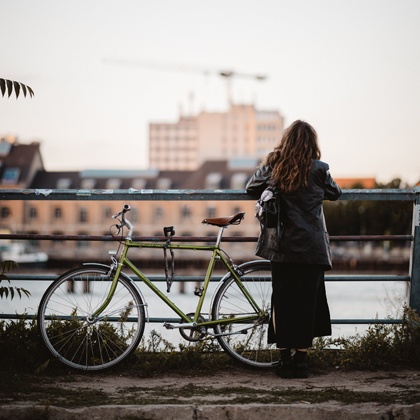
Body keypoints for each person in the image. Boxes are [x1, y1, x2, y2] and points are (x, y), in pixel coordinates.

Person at [246, 120, 342, 379]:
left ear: (286, 142)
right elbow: (335, 193)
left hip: (282, 247)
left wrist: (271, 161)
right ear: (312, 144)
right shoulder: (320, 170)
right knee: (307, 305)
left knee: (283, 303)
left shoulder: (276, 167)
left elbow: (251, 187)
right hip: (311, 248)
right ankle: (301, 362)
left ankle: (284, 360)